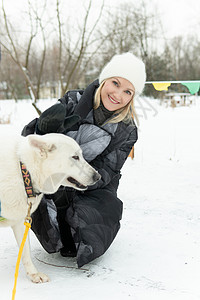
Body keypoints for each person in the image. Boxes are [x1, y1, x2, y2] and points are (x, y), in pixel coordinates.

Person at [22, 52, 146, 268]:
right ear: (104, 80)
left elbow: (107, 170)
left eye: (127, 91)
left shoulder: (127, 131)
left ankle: (72, 225)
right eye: (115, 83)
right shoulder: (72, 101)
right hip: (53, 178)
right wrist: (42, 128)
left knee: (98, 220)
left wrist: (73, 182)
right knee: (49, 233)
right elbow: (30, 142)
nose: (118, 94)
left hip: (93, 185)